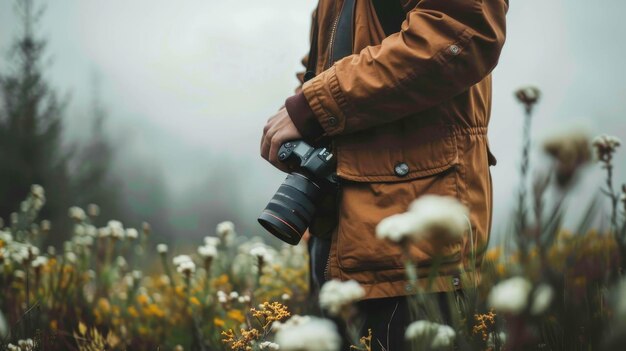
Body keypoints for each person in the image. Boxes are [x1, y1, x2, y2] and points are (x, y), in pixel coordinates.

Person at [261, 0, 507, 349]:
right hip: (343, 237)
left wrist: (313, 107)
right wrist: (303, 108)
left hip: (414, 251)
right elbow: (330, 60)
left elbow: (459, 32)